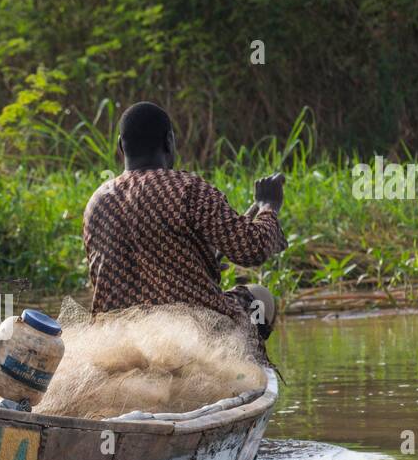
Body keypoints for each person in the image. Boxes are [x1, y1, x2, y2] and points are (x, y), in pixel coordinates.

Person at [82, 101, 286, 348]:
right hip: (194, 336)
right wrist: (268, 206)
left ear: (120, 148)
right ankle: (246, 360)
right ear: (169, 141)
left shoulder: (97, 202)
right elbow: (253, 249)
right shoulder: (188, 190)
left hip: (118, 341)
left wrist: (202, 259)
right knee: (262, 298)